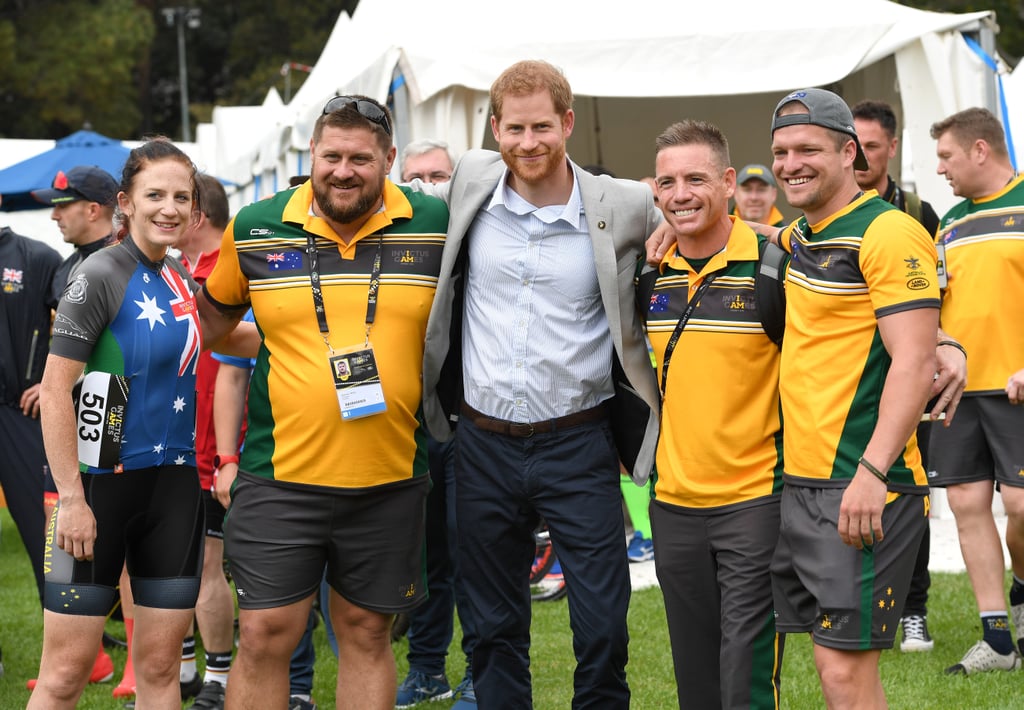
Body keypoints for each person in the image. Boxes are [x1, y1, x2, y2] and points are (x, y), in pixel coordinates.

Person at [420, 60, 662, 708]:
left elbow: (707, 230)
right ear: (494, 128)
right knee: (492, 630)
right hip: (482, 445)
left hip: (578, 445)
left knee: (604, 624)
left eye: (542, 127)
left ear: (568, 123)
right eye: (515, 128)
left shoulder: (625, 204)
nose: (529, 143)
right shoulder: (468, 182)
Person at [197, 95, 450, 710]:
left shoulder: (436, 223)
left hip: (390, 477)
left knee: (367, 633)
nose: (344, 170)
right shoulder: (257, 224)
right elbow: (210, 323)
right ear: (311, 153)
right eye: (331, 156)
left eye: (361, 158)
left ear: (389, 159)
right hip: (280, 477)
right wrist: (277, 339)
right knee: (262, 635)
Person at [768, 88, 940, 708]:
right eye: (782, 151)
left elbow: (916, 358)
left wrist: (871, 473)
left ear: (849, 153)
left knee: (845, 672)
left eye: (808, 149)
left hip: (866, 484)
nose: (791, 163)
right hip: (801, 483)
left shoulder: (889, 232)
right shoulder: (799, 236)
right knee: (826, 662)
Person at [29, 138, 211, 709]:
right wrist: (72, 498)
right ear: (124, 201)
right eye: (155, 194)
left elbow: (225, 336)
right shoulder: (100, 273)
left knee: (161, 668)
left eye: (182, 197)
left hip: (174, 486)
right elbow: (57, 390)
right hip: (95, 491)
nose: (170, 208)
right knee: (65, 672)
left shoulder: (178, 272)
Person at [645, 119, 784, 709]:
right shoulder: (647, 272)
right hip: (672, 503)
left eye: (696, 179)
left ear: (729, 182)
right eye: (668, 182)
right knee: (695, 675)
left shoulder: (778, 265)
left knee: (744, 675)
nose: (681, 194)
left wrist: (947, 344)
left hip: (755, 500)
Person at [927, 107, 1024, 675]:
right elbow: (935, 304)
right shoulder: (949, 222)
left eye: (947, 156)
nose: (941, 168)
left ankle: (1021, 585)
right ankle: (998, 643)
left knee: (1019, 505)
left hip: (1017, 390)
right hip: (959, 393)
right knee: (966, 504)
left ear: (980, 149)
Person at [30, 165, 125, 695]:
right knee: (62, 529)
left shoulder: (128, 259)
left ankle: (133, 666)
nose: (54, 213)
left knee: (129, 552)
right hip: (69, 423)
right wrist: (48, 382)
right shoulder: (65, 268)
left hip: (117, 421)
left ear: (95, 208)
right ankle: (81, 664)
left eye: (63, 204)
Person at [852, 98, 942, 653]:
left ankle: (913, 610)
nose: (860, 156)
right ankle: (859, 607)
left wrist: (947, 344)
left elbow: (940, 297)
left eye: (871, 146)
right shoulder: (816, 218)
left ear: (891, 147)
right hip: (849, 390)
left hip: (911, 382)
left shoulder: (918, 213)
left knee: (911, 495)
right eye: (853, 144)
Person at [395, 140, 477, 709]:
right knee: (421, 558)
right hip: (411, 428)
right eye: (415, 177)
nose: (427, 186)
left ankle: (478, 669)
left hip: (473, 424)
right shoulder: (391, 246)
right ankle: (425, 668)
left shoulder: (482, 239)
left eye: (439, 175)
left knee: (474, 552)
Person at [174, 173, 237, 709]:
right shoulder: (178, 275)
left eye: (177, 201)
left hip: (217, 453)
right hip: (177, 446)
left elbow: (237, 372)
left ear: (197, 214)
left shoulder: (233, 274)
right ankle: (188, 667)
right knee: (181, 564)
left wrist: (226, 456)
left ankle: (219, 679)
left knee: (209, 566)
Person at [0, 195, 62, 640]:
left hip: (19, 412)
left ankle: (73, 636)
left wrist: (51, 378)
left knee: (48, 530)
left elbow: (77, 324)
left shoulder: (36, 257)